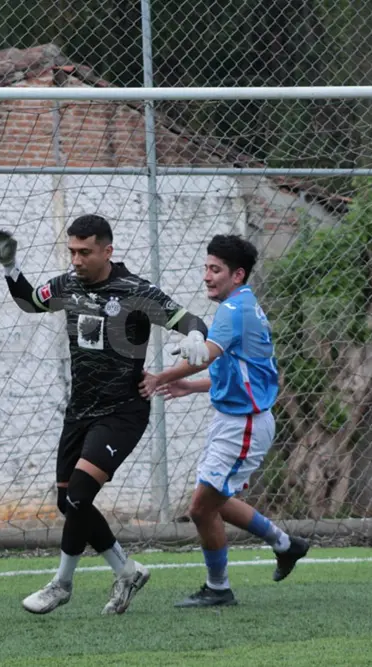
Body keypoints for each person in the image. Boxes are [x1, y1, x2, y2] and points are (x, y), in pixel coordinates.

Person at [0, 214, 211, 615]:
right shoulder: (67, 285)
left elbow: (188, 319)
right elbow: (29, 302)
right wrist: (8, 266)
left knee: (79, 495)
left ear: (108, 250)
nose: (76, 259)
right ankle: (125, 570)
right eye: (72, 251)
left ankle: (62, 584)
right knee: (68, 503)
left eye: (85, 252)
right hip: (80, 411)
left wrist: (194, 336)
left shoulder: (134, 291)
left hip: (122, 412)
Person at [139, 234, 309, 608]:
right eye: (206, 268)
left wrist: (160, 378)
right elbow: (235, 370)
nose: (207, 276)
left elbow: (206, 355)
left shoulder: (234, 312)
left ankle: (218, 588)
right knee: (217, 499)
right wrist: (190, 386)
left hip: (244, 424)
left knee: (201, 508)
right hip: (235, 420)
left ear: (238, 275)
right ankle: (286, 544)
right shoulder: (240, 306)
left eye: (215, 269)